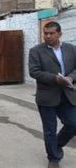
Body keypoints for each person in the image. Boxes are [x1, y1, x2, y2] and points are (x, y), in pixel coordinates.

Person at [29, 21, 76, 168]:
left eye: (51, 33)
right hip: (47, 96)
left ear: (59, 34)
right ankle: (53, 158)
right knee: (50, 129)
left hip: (68, 94)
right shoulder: (36, 51)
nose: (48, 36)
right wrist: (55, 78)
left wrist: (71, 78)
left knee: (73, 123)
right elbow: (34, 72)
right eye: (45, 33)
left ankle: (57, 145)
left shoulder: (71, 49)